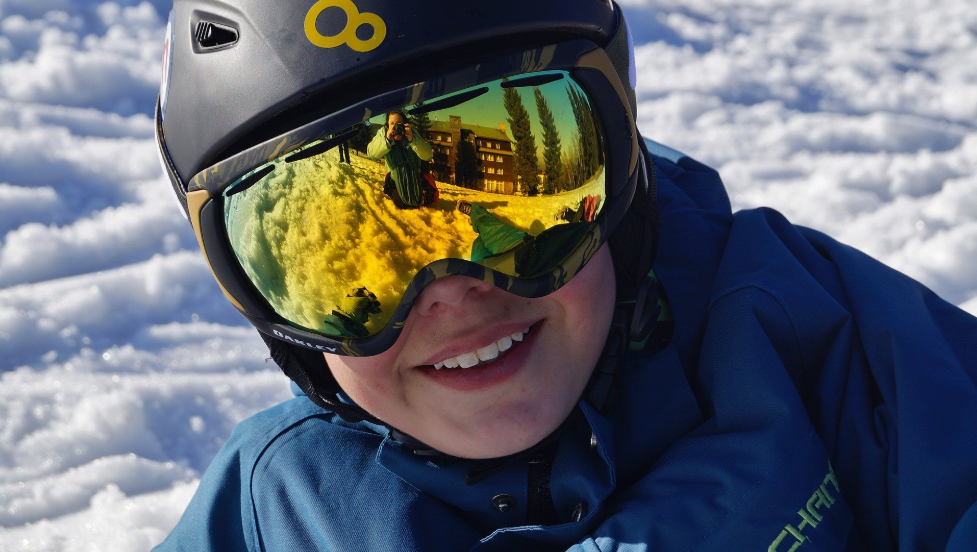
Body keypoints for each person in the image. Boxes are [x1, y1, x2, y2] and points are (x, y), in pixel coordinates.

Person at [152, 1, 977, 551]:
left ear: (620, 174)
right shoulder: (283, 508)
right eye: (344, 263)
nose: (451, 291)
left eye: (517, 206)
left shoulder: (794, 329)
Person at [368, 111, 436, 208]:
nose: (395, 127)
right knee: (400, 201)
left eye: (398, 123)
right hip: (394, 179)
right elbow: (372, 154)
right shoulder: (383, 133)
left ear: (404, 124)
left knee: (425, 197)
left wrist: (413, 140)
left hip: (415, 178)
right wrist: (387, 140)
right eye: (392, 123)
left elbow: (428, 155)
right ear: (387, 125)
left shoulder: (412, 133)